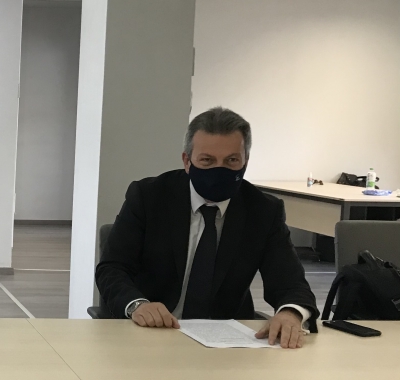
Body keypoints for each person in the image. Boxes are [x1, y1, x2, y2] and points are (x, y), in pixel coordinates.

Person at [96, 107, 318, 349]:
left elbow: (291, 283)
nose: (219, 170)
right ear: (187, 161)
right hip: (150, 335)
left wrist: (290, 313)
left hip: (227, 343)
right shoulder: (149, 197)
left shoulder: (263, 210)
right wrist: (137, 305)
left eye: (231, 161)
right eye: (207, 160)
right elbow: (112, 268)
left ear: (245, 161)